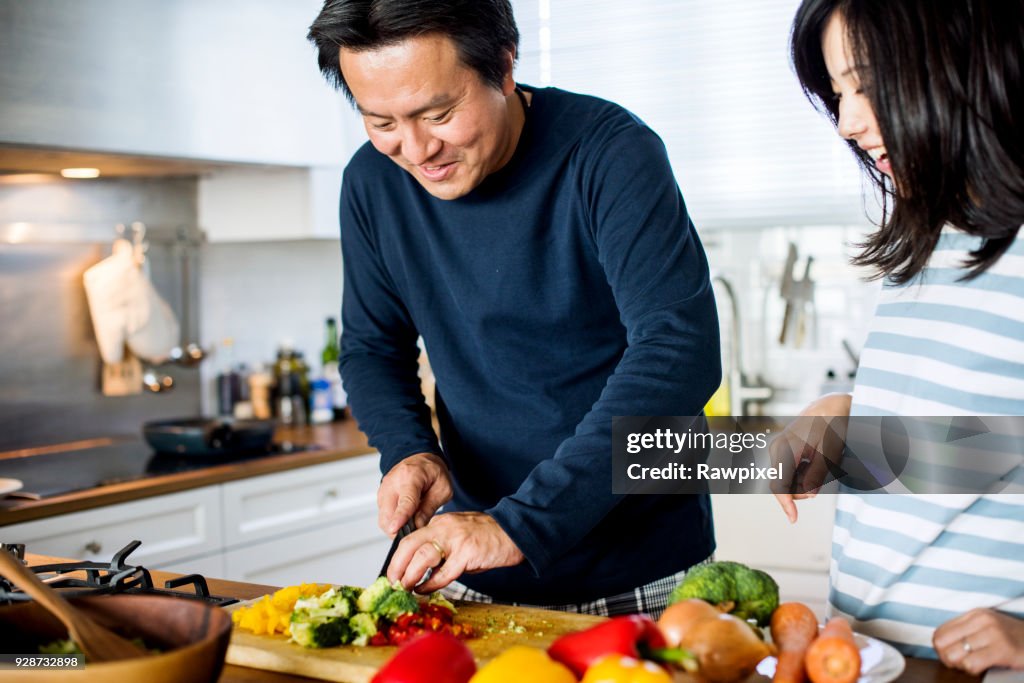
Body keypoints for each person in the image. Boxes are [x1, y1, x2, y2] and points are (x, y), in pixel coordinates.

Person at [306, 0, 720, 617]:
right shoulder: (370, 182)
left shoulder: (610, 153)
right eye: (381, 121)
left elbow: (679, 352)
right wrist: (409, 450)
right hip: (474, 563)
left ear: (504, 66)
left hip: (642, 569)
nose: (417, 149)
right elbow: (372, 347)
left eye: (439, 114)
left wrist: (521, 526)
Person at [780, 0, 1024, 674]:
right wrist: (843, 418)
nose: (849, 121)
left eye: (865, 83)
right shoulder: (931, 242)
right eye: (838, 93)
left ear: (956, 61)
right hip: (876, 656)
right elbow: (983, 438)